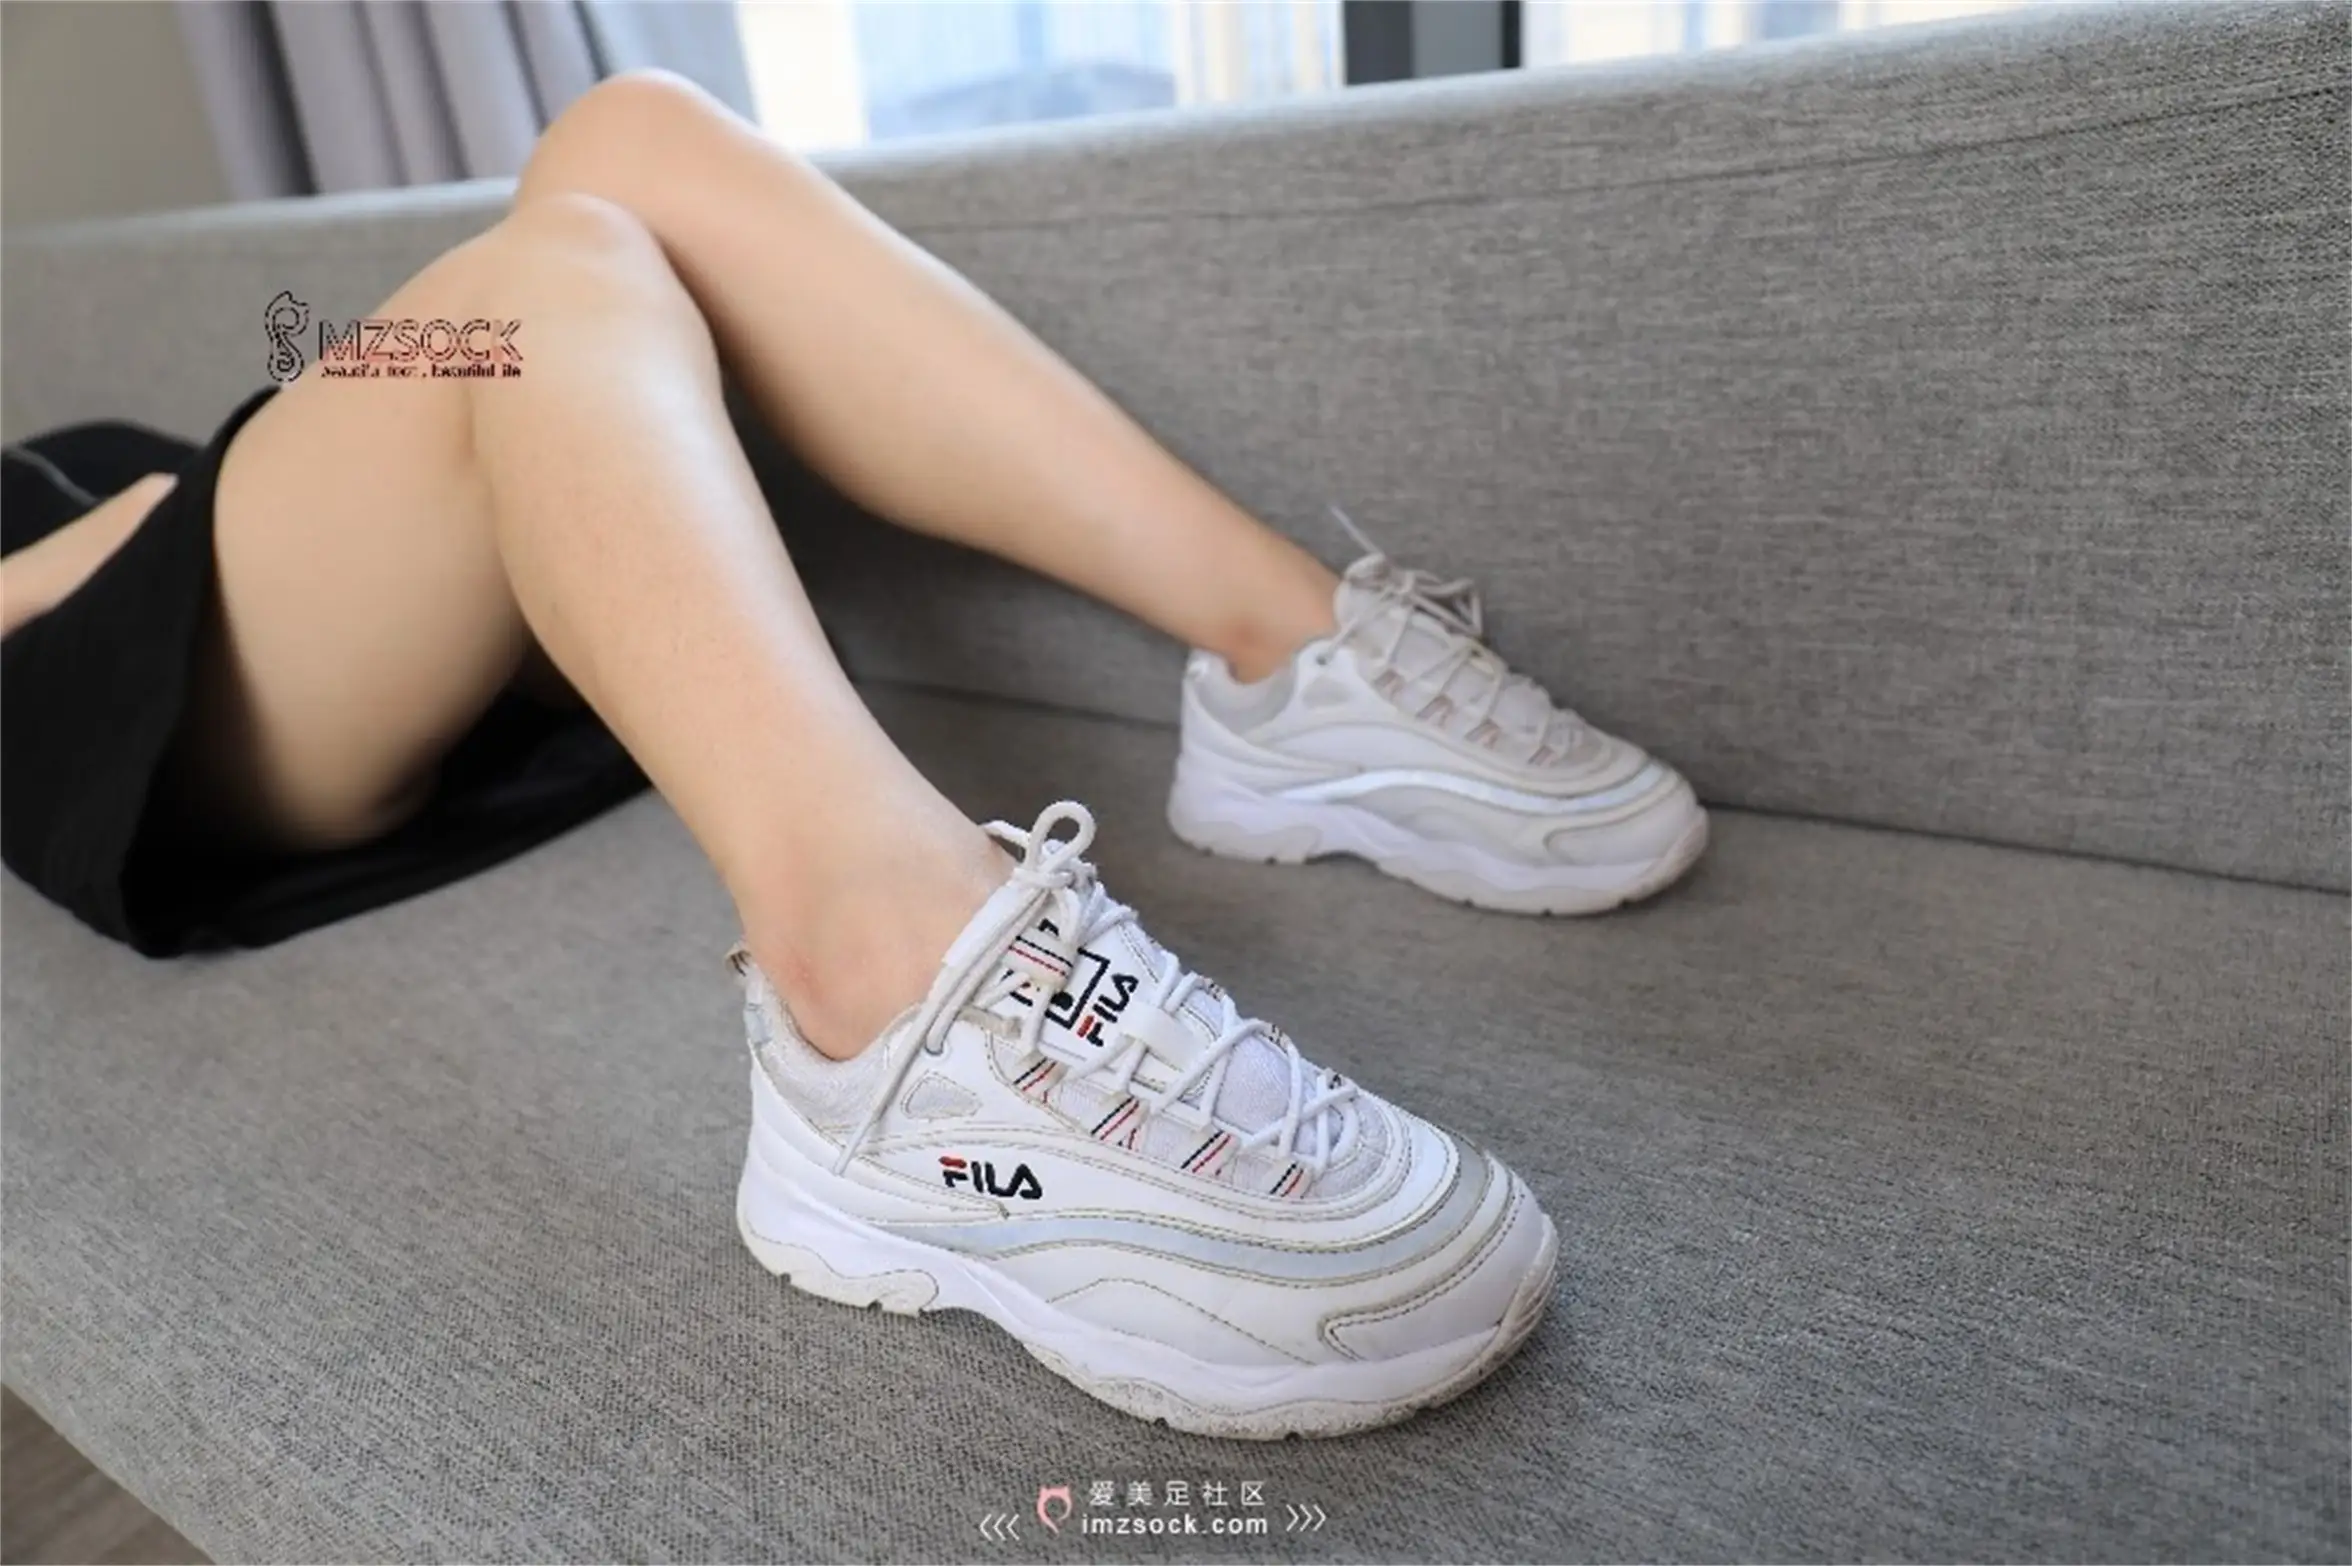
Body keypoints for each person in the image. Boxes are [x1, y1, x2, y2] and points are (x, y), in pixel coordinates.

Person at [0, 72, 1706, 1438]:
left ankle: (1295, 656)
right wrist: (152, 504)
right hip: (99, 681)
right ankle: (877, 991)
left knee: (626, 135)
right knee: (532, 291)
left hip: (359, 587)